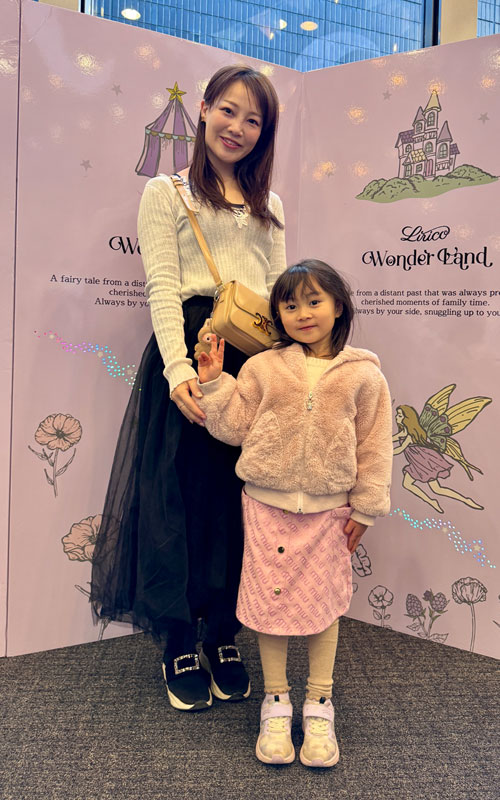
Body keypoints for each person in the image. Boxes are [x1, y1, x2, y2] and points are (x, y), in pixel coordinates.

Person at [90, 65, 286, 713]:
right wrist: (177, 370)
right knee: (175, 499)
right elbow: (163, 286)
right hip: (191, 354)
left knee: (238, 502)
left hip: (250, 365)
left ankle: (223, 634)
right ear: (203, 110)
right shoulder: (166, 191)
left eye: (253, 120)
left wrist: (279, 380)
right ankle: (177, 638)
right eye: (228, 111)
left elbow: (276, 300)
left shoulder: (270, 205)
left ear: (264, 132)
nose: (237, 128)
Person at [196, 259, 393, 767]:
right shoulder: (263, 367)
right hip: (267, 507)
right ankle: (277, 701)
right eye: (289, 304)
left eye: (313, 301)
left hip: (329, 513)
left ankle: (320, 702)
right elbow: (235, 427)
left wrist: (367, 508)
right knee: (271, 604)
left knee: (324, 606)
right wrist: (215, 384)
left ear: (338, 306)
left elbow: (375, 446)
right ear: (277, 314)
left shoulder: (365, 375)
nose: (302, 313)